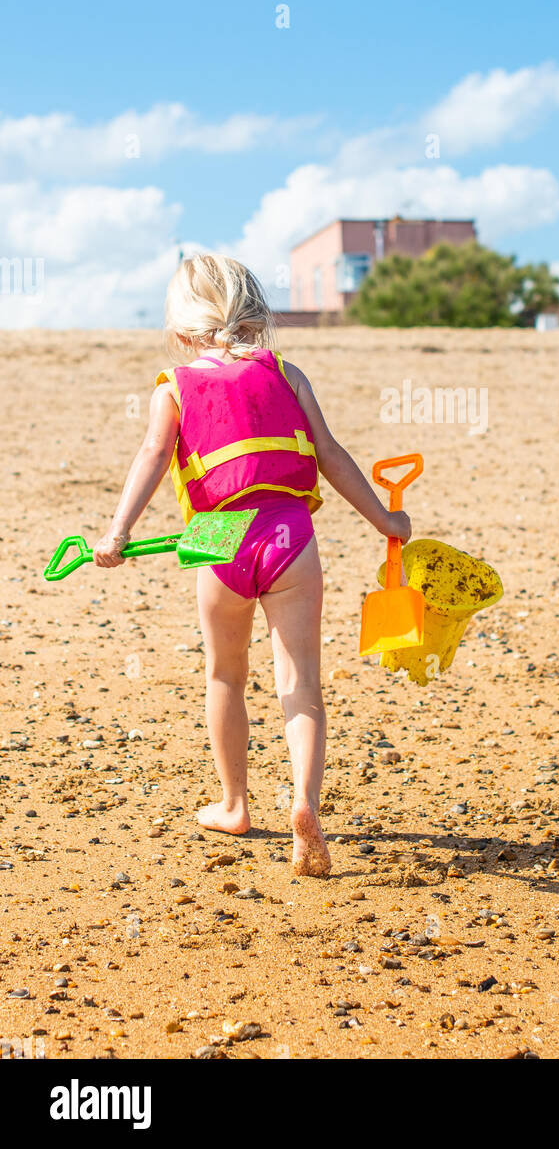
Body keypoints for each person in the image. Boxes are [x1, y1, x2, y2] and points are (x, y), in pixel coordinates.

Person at [93, 253, 410, 876]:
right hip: (290, 537)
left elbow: (152, 456)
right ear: (256, 315)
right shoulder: (288, 374)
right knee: (302, 684)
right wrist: (386, 521)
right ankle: (305, 803)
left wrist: (118, 531)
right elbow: (332, 456)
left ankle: (235, 804)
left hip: (218, 543)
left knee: (225, 675)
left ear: (181, 329)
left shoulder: (175, 387)